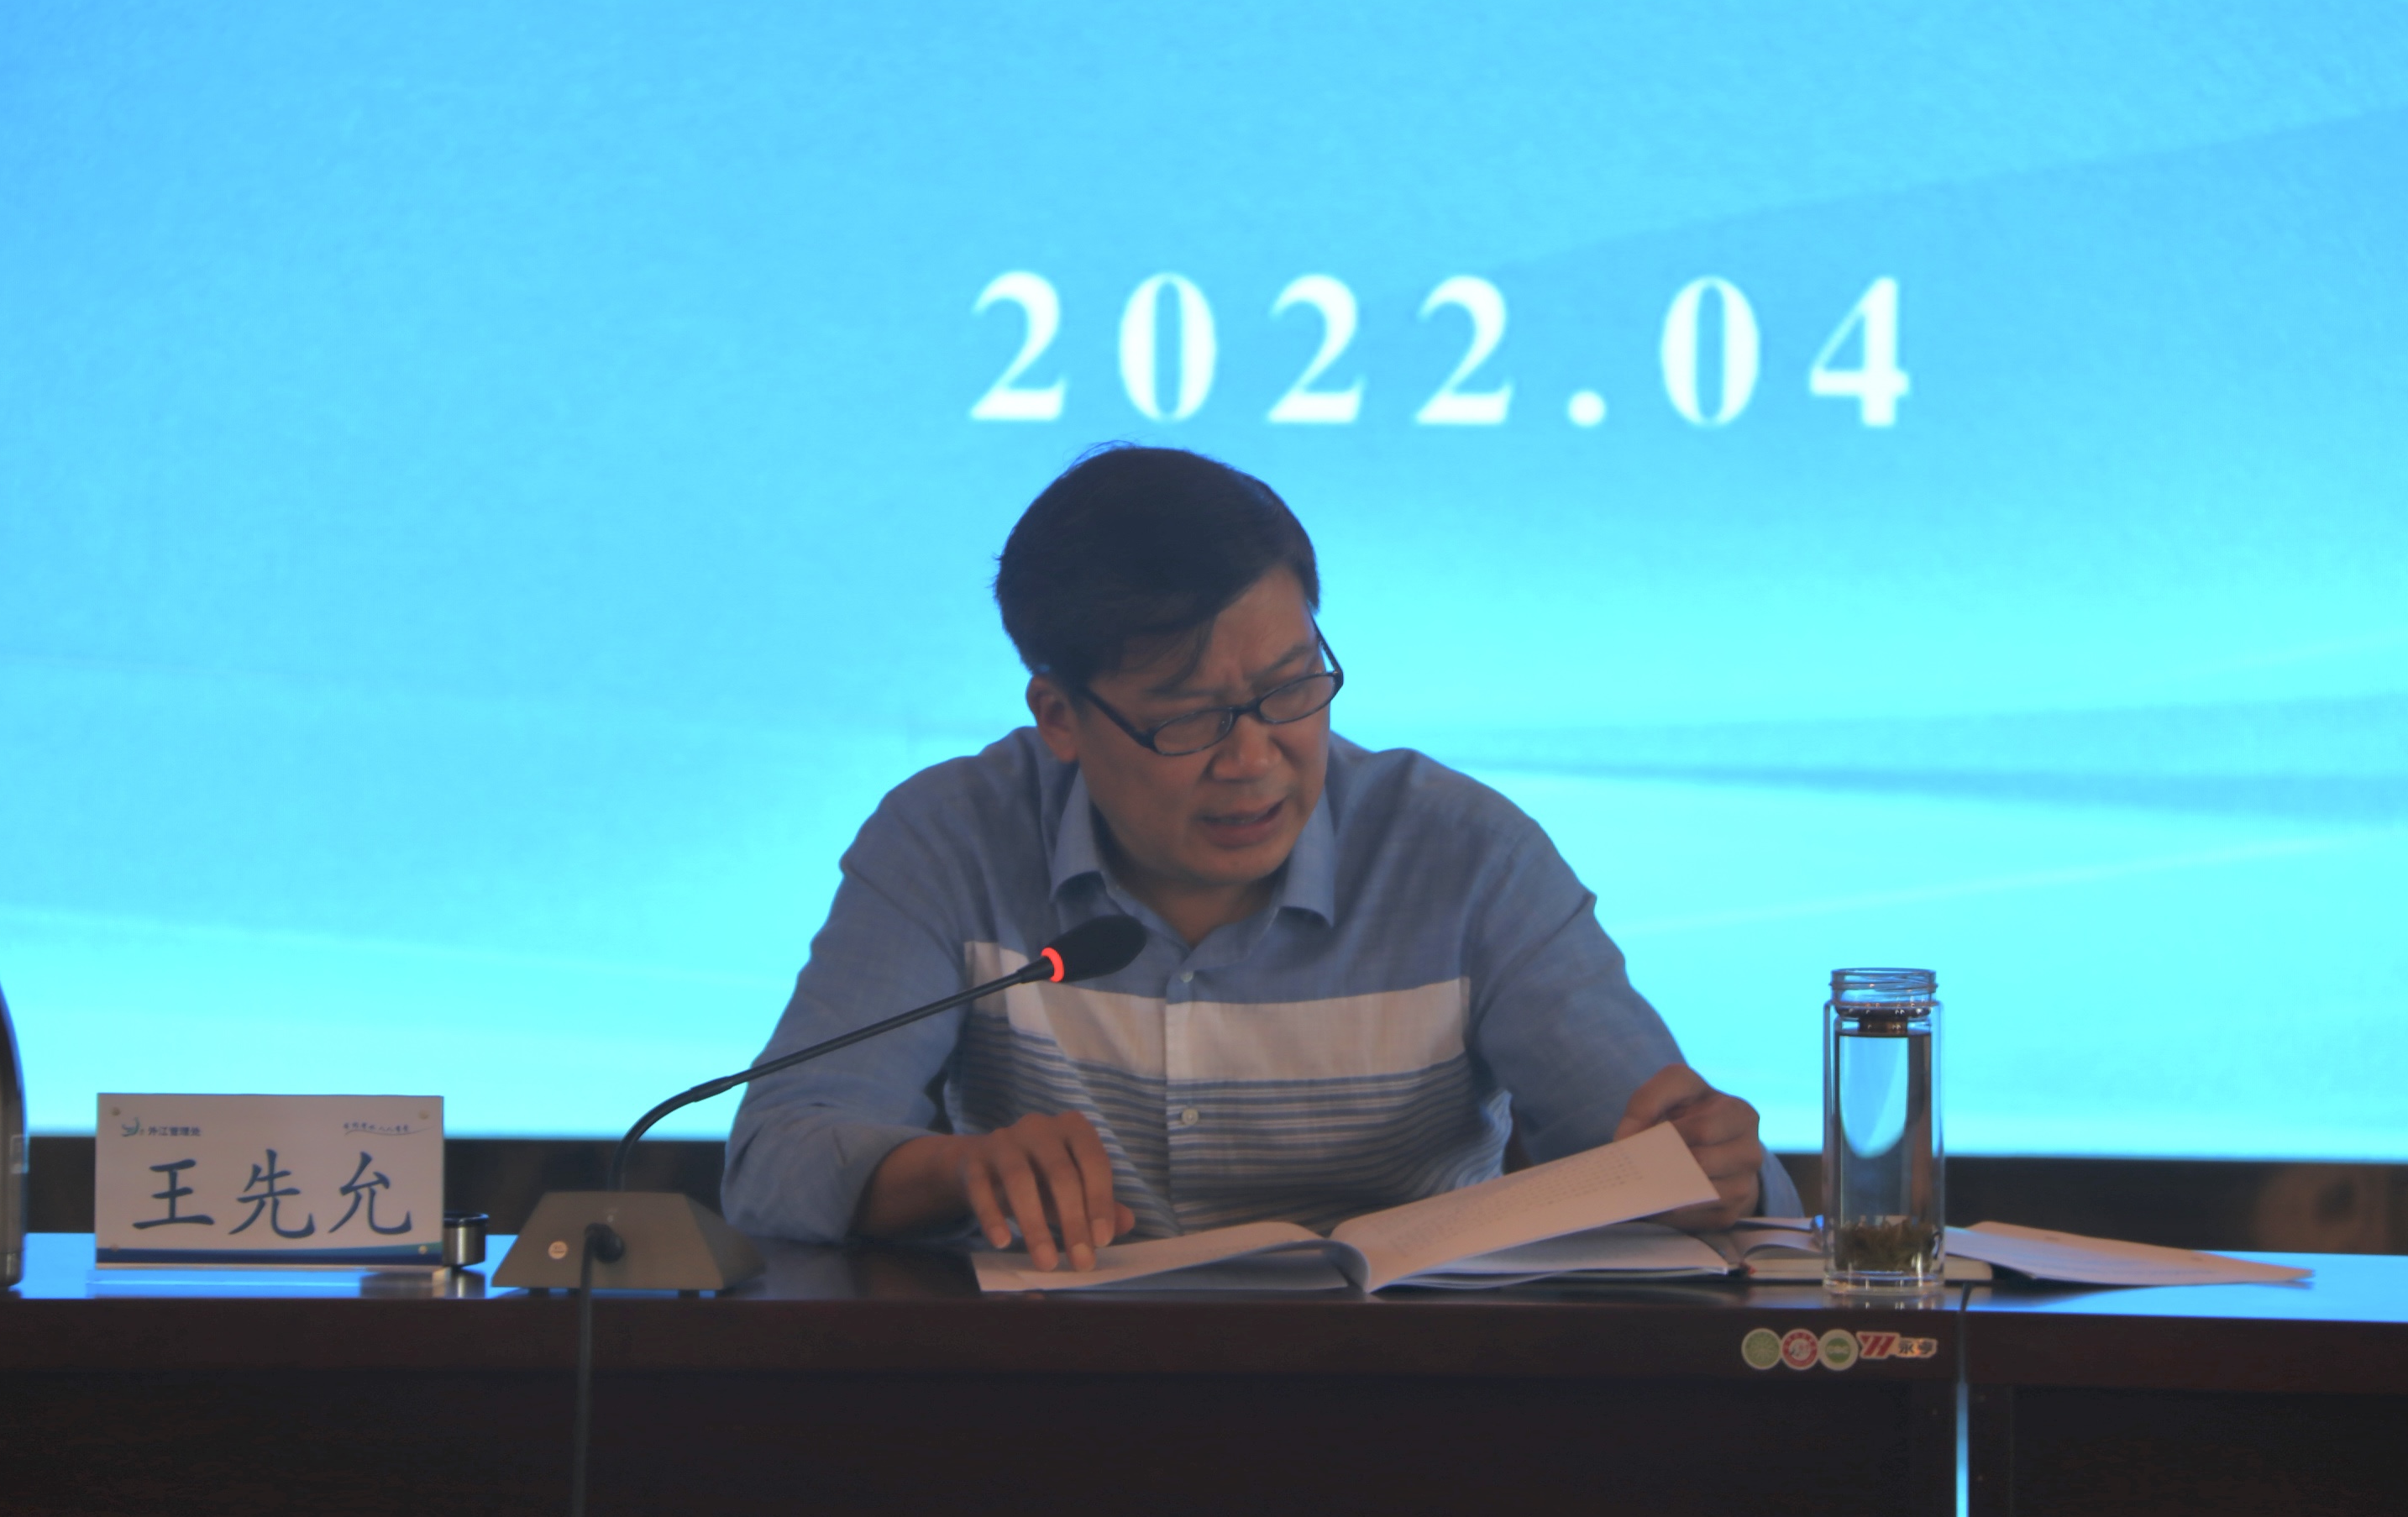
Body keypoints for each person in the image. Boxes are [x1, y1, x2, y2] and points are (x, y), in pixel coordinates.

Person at [724, 444, 1798, 1270]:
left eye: (1290, 690)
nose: (1253, 759)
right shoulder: (949, 837)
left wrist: (1713, 1171)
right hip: (1054, 1403)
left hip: (1409, 1404)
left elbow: (1687, 1172)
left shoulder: (1466, 858)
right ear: (1059, 715)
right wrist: (957, 1171)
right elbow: (775, 1156)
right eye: (1188, 719)